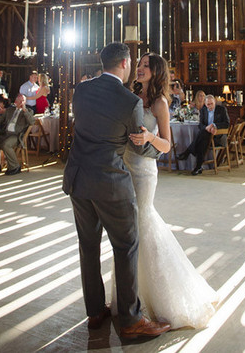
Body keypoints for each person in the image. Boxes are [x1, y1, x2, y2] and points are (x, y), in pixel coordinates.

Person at [63, 42, 171, 339]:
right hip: (110, 182)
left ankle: (95, 311)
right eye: (134, 63)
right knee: (126, 246)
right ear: (124, 64)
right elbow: (138, 143)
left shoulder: (82, 90)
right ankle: (131, 321)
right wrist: (154, 146)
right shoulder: (129, 101)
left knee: (88, 246)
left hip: (78, 178)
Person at [117, 53, 217, 329]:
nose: (139, 69)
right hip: (124, 166)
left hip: (144, 171)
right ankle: (131, 295)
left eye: (145, 66)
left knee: (143, 223)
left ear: (156, 71)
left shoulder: (160, 103)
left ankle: (158, 298)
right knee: (128, 228)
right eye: (138, 65)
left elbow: (166, 145)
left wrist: (149, 136)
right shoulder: (133, 97)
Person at [0, 93, 34, 176]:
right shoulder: (9, 110)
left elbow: (32, 122)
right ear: (16, 102)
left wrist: (24, 110)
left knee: (6, 145)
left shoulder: (28, 111)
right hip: (5, 134)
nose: (21, 103)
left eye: (23, 101)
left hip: (16, 136)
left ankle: (15, 167)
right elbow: (0, 119)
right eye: (20, 101)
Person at [180, 94, 229, 175]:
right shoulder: (203, 110)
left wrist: (214, 125)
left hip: (218, 137)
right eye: (208, 104)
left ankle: (188, 152)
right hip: (207, 136)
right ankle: (198, 167)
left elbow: (227, 124)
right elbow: (200, 125)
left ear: (215, 102)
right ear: (205, 104)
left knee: (202, 137)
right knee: (203, 137)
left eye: (211, 104)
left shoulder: (221, 109)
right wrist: (206, 128)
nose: (210, 106)